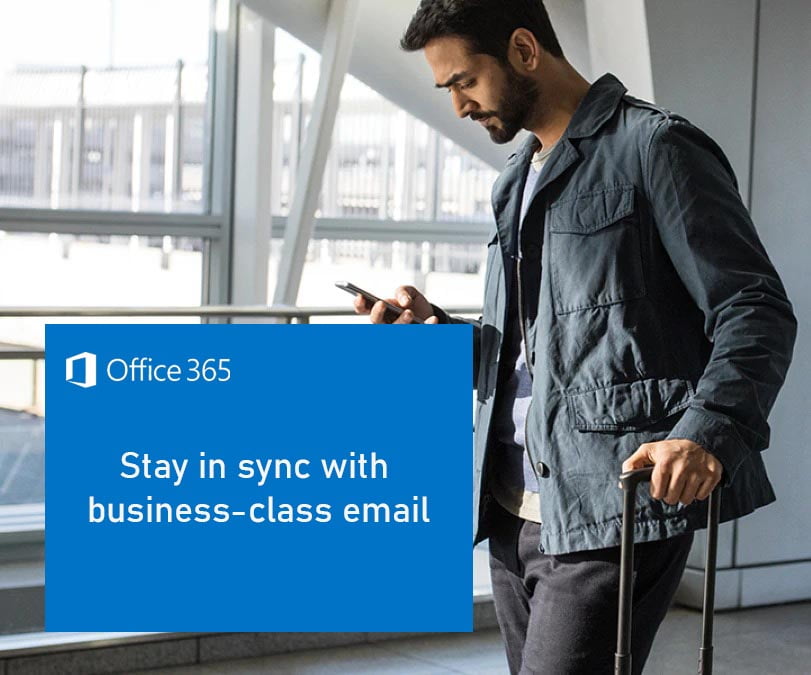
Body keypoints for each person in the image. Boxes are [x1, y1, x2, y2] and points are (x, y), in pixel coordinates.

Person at [355, 1, 797, 672]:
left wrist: (707, 431)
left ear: (524, 51)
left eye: (463, 82)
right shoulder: (514, 182)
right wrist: (436, 333)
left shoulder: (656, 147)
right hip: (508, 510)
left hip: (606, 507)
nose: (458, 108)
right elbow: (537, 350)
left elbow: (753, 306)